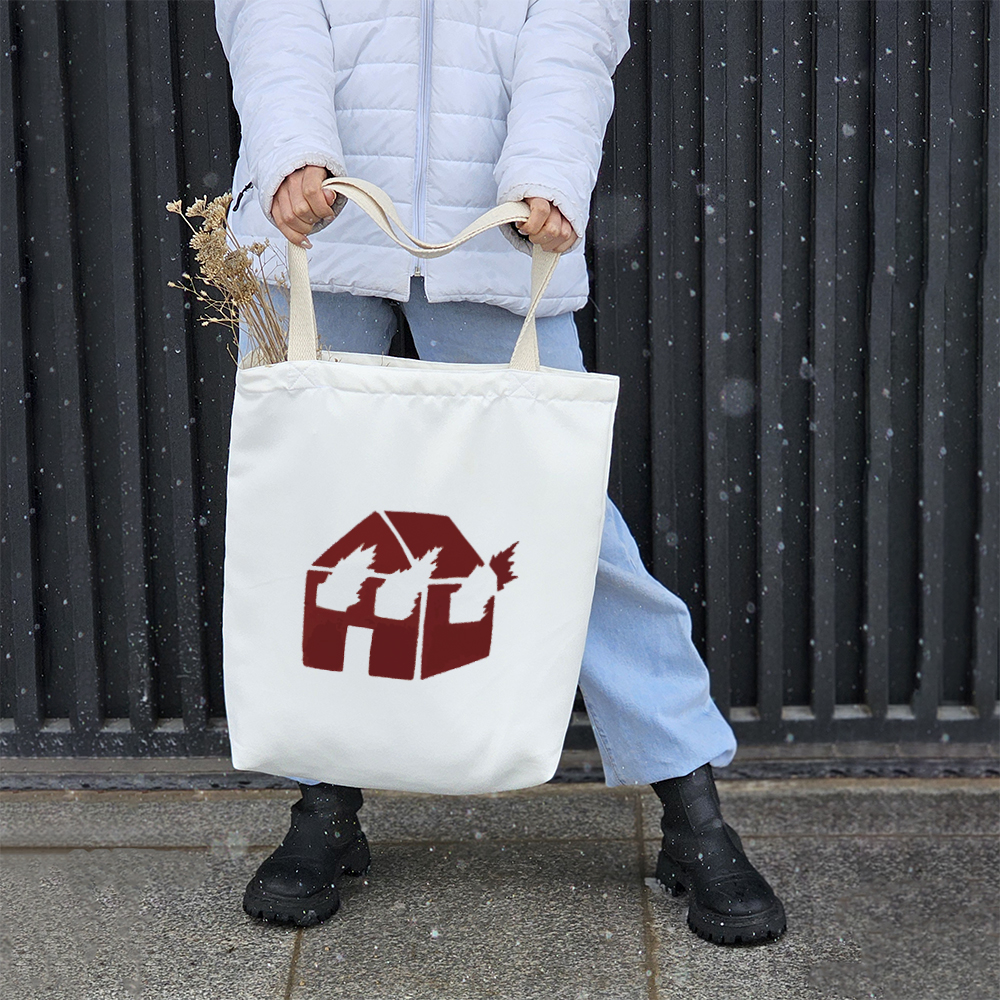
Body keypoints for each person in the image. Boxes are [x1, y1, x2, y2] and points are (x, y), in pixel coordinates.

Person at [215, 0, 786, 946]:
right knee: (314, 531)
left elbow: (573, 28)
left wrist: (548, 174)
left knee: (567, 529)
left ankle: (693, 812)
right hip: (316, 228)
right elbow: (272, 15)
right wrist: (291, 153)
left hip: (496, 233)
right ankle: (323, 802)